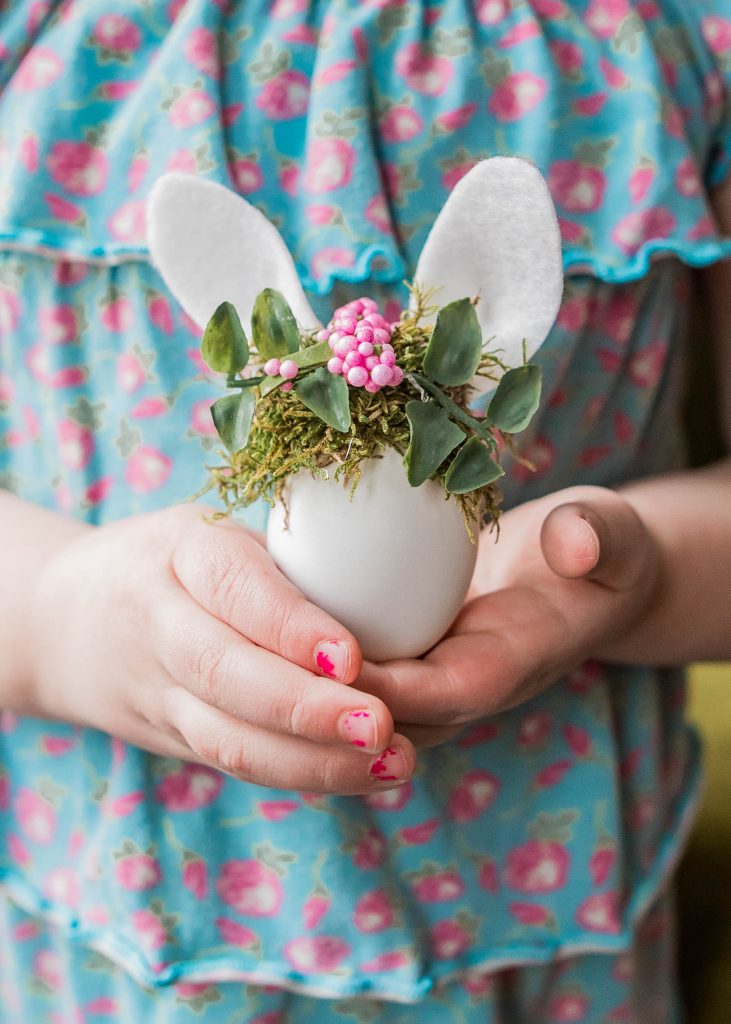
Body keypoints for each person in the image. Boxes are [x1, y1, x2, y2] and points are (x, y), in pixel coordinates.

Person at [1, 0, 730, 1020]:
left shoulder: (679, 31)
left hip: (540, 921)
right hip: (122, 941)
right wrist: (56, 615)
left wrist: (644, 570)